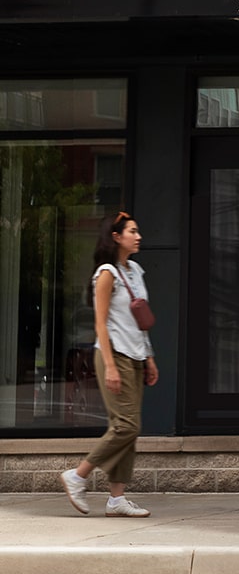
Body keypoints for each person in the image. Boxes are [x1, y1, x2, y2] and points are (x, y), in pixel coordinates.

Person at [59, 212, 159, 517]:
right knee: (127, 425)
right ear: (116, 237)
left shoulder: (136, 271)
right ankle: (78, 475)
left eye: (138, 231)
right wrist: (111, 367)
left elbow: (139, 323)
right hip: (112, 355)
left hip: (136, 356)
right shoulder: (106, 273)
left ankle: (117, 499)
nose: (138, 236)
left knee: (128, 429)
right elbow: (100, 324)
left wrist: (150, 358)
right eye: (132, 231)